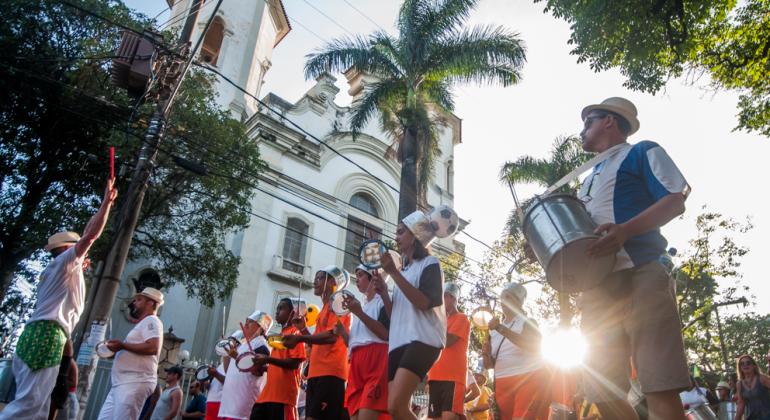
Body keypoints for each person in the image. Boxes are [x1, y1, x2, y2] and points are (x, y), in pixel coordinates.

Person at [577, 97, 691, 419]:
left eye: (589, 122)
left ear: (610, 121)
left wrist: (626, 231)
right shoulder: (588, 179)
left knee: (659, 382)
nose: (582, 131)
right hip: (599, 286)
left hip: (644, 270)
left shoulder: (642, 151)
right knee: (601, 388)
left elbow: (676, 197)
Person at [0, 177, 117, 420]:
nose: (85, 256)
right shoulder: (64, 264)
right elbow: (89, 237)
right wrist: (106, 204)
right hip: (46, 337)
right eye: (78, 250)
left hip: (38, 336)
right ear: (66, 250)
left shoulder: (59, 271)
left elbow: (85, 236)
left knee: (39, 408)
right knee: (29, 408)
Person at [380, 210, 447, 420]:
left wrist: (393, 273)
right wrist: (383, 293)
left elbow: (423, 302)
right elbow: (395, 317)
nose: (396, 237)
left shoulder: (430, 264)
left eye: (401, 232)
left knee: (395, 406)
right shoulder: (404, 271)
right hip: (398, 343)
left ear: (416, 234)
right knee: (398, 411)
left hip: (423, 340)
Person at [282, 266, 352, 420]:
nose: (315, 281)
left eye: (320, 278)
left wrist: (300, 338)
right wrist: (303, 330)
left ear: (332, 281)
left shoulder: (339, 304)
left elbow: (332, 337)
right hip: (317, 373)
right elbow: (318, 343)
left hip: (331, 374)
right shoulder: (325, 308)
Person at [97, 287, 165, 420]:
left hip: (134, 381)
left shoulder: (152, 321)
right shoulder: (144, 323)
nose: (134, 302)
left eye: (139, 300)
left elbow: (153, 348)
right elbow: (134, 349)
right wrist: (116, 350)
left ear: (150, 303)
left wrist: (122, 345)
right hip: (121, 383)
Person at [481, 282, 545, 419]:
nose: (503, 301)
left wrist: (500, 329)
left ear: (519, 301)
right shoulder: (494, 332)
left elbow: (534, 346)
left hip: (527, 379)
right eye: (502, 297)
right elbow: (489, 365)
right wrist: (485, 353)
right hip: (502, 385)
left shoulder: (528, 322)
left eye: (509, 297)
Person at [339, 265, 391, 420]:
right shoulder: (361, 306)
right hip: (356, 365)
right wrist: (342, 333)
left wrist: (359, 313)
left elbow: (385, 334)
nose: (357, 279)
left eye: (361, 275)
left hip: (377, 360)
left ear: (372, 278)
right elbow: (355, 343)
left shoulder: (383, 301)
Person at [251, 298, 307, 420]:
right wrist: (263, 366)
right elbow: (278, 366)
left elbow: (294, 364)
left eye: (281, 308)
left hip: (283, 398)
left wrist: (267, 360)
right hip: (266, 396)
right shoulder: (281, 335)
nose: (277, 312)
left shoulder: (296, 333)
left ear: (292, 313)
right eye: (277, 308)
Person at [426, 282, 470, 420]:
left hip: (453, 378)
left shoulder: (462, 318)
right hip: (434, 376)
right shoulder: (438, 320)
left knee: (448, 417)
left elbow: (448, 341)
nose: (442, 300)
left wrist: (440, 317)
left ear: (453, 298)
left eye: (445, 296)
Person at [218, 311, 272, 420]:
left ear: (261, 328)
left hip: (242, 406)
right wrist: (226, 351)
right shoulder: (243, 346)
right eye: (246, 321)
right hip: (228, 405)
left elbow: (257, 371)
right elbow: (228, 371)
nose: (246, 324)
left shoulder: (262, 346)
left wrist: (236, 357)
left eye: (251, 322)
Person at [48, 340, 77, 420]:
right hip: (57, 395)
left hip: (67, 397)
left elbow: (74, 383)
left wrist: (58, 379)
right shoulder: (56, 359)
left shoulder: (69, 362)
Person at [735, 355, 770, 420]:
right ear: (740, 367)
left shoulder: (762, 379)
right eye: (742, 364)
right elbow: (741, 404)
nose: (745, 365)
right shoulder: (739, 384)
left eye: (748, 363)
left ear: (754, 366)